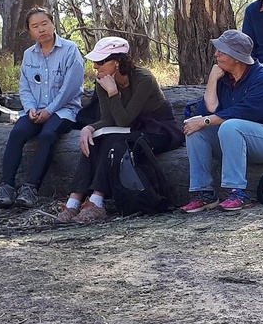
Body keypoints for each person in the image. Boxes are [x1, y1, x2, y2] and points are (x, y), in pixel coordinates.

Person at [58, 37, 185, 223]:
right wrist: (89, 128)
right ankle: (74, 202)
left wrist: (113, 93)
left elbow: (124, 121)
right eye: (95, 61)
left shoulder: (143, 78)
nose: (96, 67)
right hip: (130, 129)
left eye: (101, 62)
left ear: (117, 62)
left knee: (113, 141)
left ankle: (97, 201)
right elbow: (109, 119)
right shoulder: (102, 80)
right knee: (95, 138)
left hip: (158, 130)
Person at [180, 30, 263, 212]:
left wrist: (207, 120)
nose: (216, 54)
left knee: (229, 125)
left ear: (236, 57)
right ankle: (204, 193)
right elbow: (206, 111)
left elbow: (245, 112)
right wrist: (212, 80)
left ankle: (238, 192)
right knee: (196, 129)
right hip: (234, 140)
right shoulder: (223, 78)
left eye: (222, 52)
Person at [0, 7, 85, 209]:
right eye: (35, 26)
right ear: (30, 32)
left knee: (47, 135)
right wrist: (30, 108)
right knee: (18, 132)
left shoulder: (70, 50)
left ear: (53, 24)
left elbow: (70, 88)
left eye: (44, 23)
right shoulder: (29, 55)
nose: (41, 29)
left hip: (64, 111)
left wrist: (50, 111)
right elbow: (24, 86)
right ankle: (7, 186)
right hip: (35, 110)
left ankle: (31, 188)